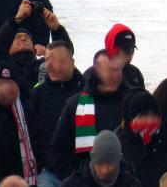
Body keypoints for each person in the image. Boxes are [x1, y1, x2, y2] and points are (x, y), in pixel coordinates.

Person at [50, 28, 145, 178]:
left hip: (127, 181)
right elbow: (59, 150)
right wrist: (75, 181)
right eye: (107, 70)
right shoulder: (75, 104)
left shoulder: (136, 100)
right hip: (86, 182)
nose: (112, 74)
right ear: (96, 71)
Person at [30, 39, 83, 187]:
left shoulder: (86, 91)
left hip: (78, 173)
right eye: (49, 61)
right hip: (47, 173)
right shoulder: (38, 93)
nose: (54, 66)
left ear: (72, 63)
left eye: (61, 62)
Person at [0, 0, 73, 96]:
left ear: (34, 47)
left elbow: (65, 57)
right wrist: (16, 20)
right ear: (7, 46)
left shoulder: (42, 66)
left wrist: (56, 29)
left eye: (27, 38)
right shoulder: (1, 67)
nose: (23, 38)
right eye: (17, 37)